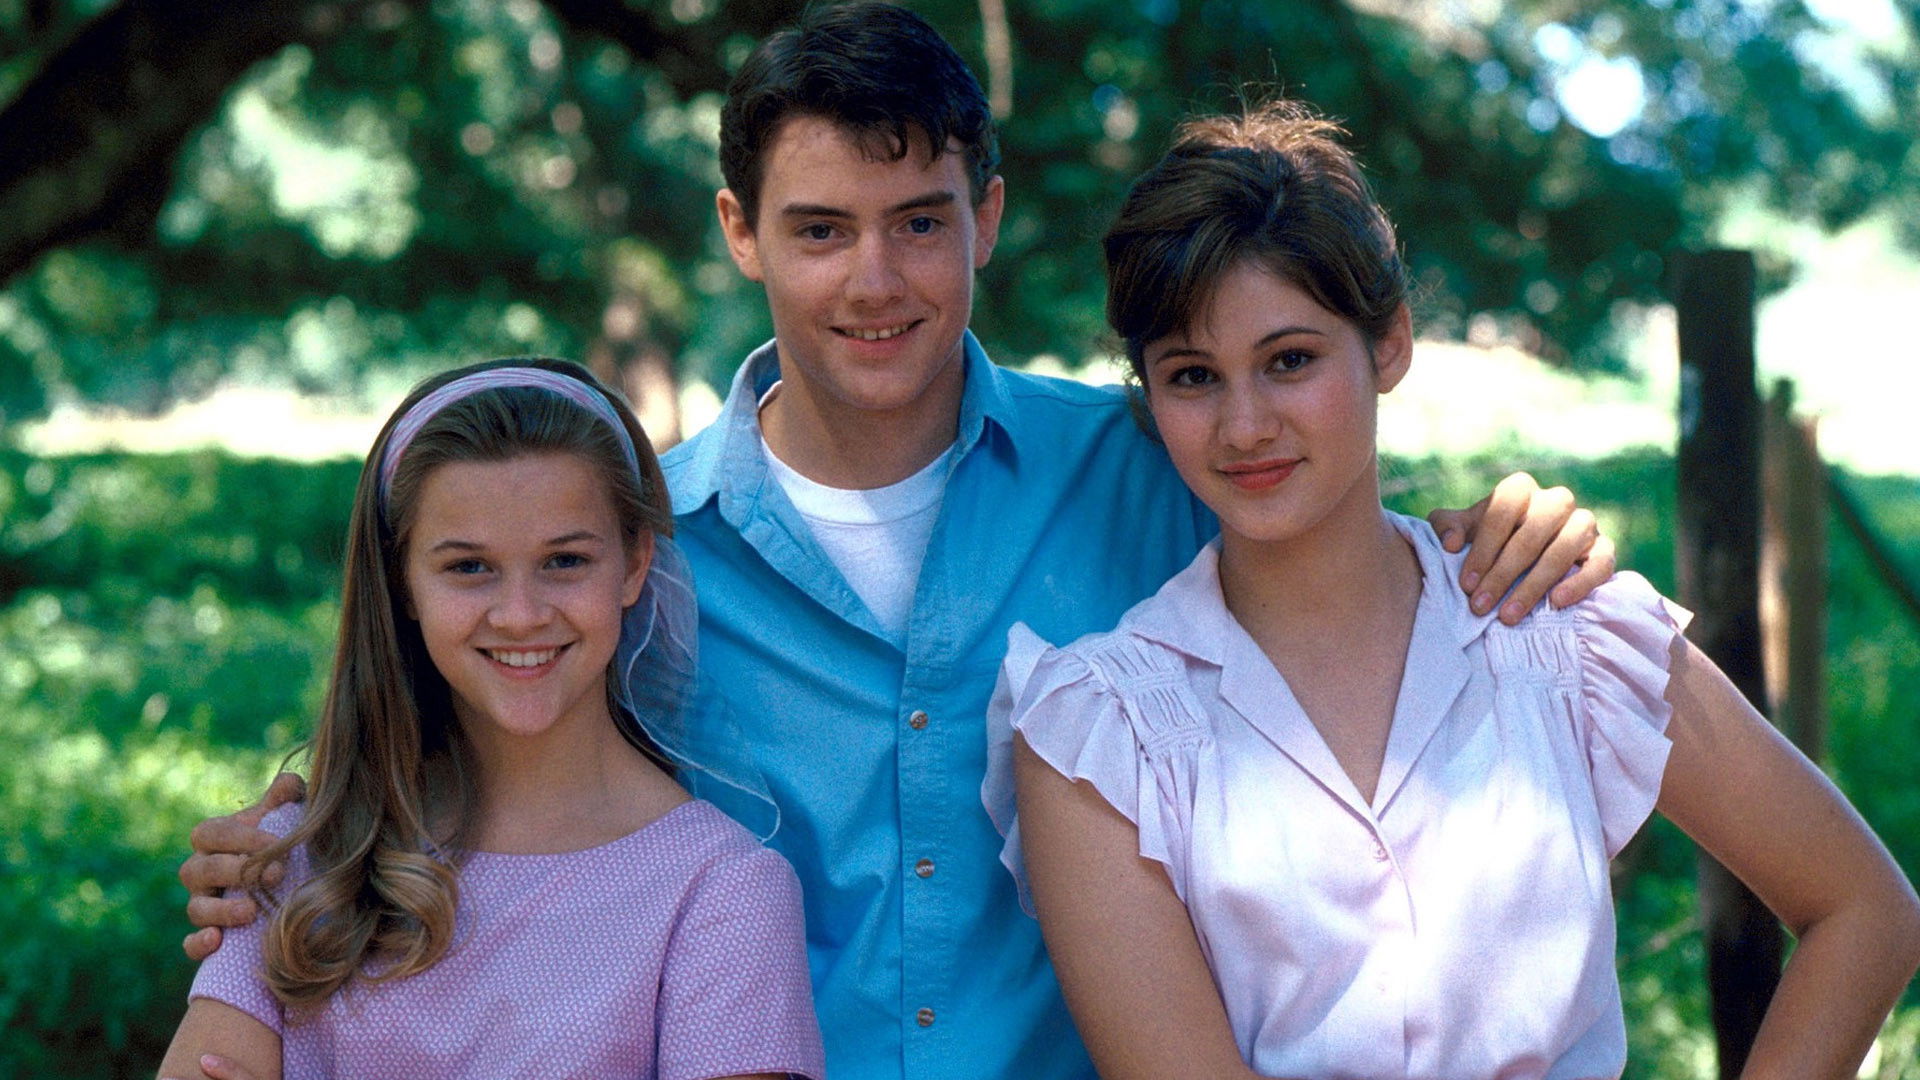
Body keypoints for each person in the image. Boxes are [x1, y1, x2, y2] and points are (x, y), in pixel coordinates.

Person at [176, 7, 1621, 1078]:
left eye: (919, 223)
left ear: (985, 218)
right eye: (820, 230)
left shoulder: (1151, 465)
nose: (876, 280)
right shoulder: (622, 552)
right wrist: (288, 858)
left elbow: (1331, 528)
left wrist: (1483, 529)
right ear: (740, 232)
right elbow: (462, 755)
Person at [985, 101, 1920, 1079]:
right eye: (1192, 376)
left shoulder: (1570, 631)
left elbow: (1866, 910)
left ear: (1389, 342)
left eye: (1290, 360)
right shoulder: (1100, 732)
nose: (1245, 424)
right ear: (1148, 393)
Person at [158, 360, 824, 1080]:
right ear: (402, 581)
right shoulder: (299, 860)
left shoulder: (722, 891)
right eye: (469, 568)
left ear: (634, 565)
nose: (520, 615)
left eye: (564, 560)